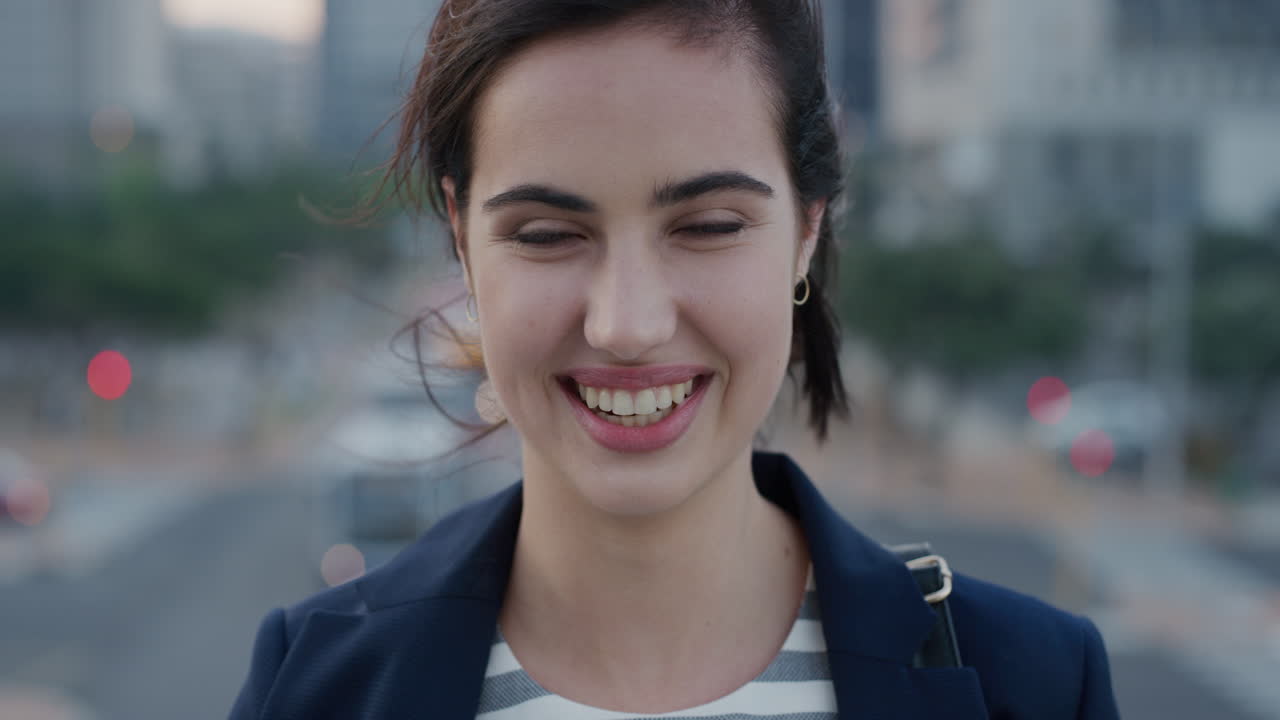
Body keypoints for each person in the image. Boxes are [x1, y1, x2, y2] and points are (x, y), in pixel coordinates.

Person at [230, 1, 1122, 717]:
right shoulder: (311, 687)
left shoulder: (1034, 685)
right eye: (546, 234)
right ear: (462, 240)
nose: (628, 325)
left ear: (807, 230)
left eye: (708, 227)